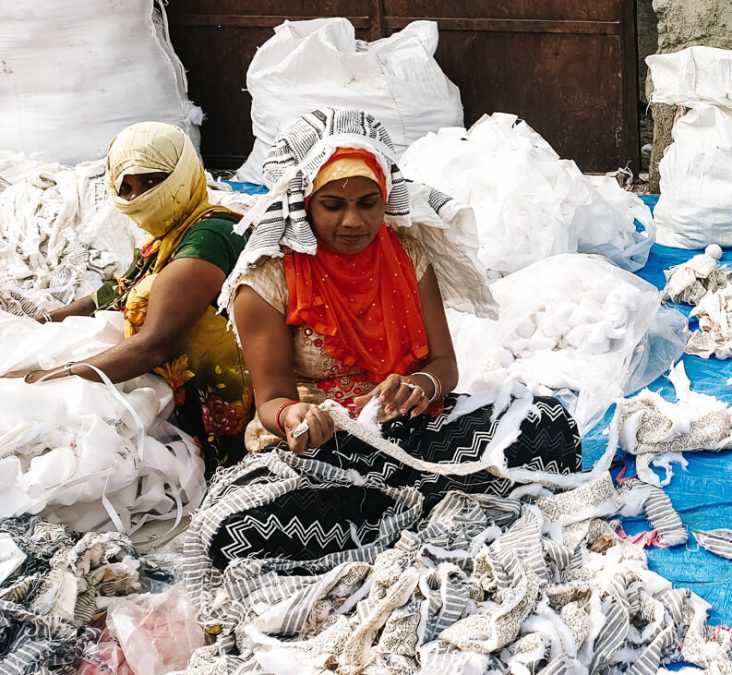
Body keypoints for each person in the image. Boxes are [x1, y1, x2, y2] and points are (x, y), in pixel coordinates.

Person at [208, 109, 580, 566]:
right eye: (333, 205)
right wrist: (295, 417)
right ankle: (429, 504)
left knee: (549, 424)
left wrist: (419, 387)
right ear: (305, 201)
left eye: (368, 203)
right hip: (326, 450)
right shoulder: (266, 283)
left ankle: (400, 510)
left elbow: (444, 366)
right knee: (234, 529)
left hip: (409, 429)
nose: (353, 221)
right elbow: (271, 403)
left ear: (386, 196)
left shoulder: (406, 253)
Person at [2, 122, 252, 475]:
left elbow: (153, 346)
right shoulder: (166, 238)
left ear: (183, 174)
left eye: (152, 182)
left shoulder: (211, 236)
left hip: (220, 414)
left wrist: (44, 376)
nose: (138, 199)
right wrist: (40, 324)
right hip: (174, 393)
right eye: (127, 188)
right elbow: (109, 295)